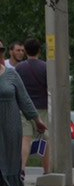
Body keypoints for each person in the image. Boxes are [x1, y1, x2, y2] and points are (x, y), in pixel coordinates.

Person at [0, 58, 47, 186]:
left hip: (9, 125)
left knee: (8, 158)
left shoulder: (12, 75)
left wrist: (37, 120)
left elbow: (25, 99)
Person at [15, 38, 48, 174]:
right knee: (46, 139)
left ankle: (22, 168)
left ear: (26, 51)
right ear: (39, 50)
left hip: (24, 108)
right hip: (43, 108)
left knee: (25, 139)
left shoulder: (19, 68)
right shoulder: (45, 67)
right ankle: (47, 170)